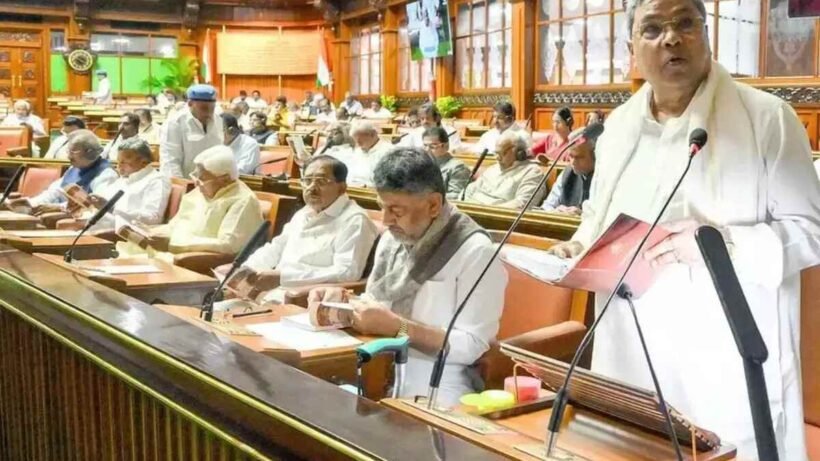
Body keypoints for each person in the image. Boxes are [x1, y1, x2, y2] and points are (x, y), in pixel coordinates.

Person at [547, 0, 820, 457]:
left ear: (706, 34)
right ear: (631, 48)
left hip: (722, 357)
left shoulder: (767, 119)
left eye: (685, 23)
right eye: (652, 29)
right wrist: (577, 245)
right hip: (634, 350)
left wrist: (721, 245)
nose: (671, 38)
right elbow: (599, 215)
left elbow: (811, 232)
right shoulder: (619, 127)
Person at [307, 148, 506, 406]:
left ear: (433, 205)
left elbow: (472, 346)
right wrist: (342, 303)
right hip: (374, 366)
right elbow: (377, 305)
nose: (386, 220)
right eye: (382, 207)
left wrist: (398, 328)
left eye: (396, 210)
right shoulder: (393, 239)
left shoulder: (476, 251)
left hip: (436, 383)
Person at [235, 155, 379, 297]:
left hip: (302, 297)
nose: (312, 188)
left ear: (342, 188)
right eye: (307, 180)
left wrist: (283, 277)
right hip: (269, 291)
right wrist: (246, 269)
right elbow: (275, 248)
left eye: (321, 181)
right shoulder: (304, 213)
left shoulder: (355, 220)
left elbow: (346, 273)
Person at [117, 145, 263, 262]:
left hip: (192, 261)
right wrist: (149, 232)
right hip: (169, 253)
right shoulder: (198, 193)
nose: (197, 183)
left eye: (202, 179)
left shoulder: (243, 201)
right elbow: (175, 226)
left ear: (224, 179)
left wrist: (172, 243)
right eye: (195, 176)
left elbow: (228, 245)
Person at [15, 130, 117, 215]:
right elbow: (55, 192)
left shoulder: (106, 174)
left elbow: (94, 207)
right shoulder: (74, 168)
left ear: (89, 152)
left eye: (73, 151)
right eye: (68, 151)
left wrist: (58, 207)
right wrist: (30, 203)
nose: (69, 156)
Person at [86, 138, 171, 232]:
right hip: (105, 225)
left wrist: (112, 209)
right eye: (118, 162)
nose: (118, 166)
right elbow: (104, 200)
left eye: (123, 162)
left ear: (143, 162)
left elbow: (153, 218)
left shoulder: (156, 180)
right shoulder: (125, 178)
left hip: (128, 232)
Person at [462, 131, 544, 209]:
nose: (497, 158)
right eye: (496, 153)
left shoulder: (532, 172)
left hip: (494, 216)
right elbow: (470, 190)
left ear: (519, 153)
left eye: (502, 153)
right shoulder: (493, 168)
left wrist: (487, 211)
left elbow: (523, 204)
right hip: (471, 210)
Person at [160, 84, 224, 178]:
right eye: (204, 108)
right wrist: (182, 185)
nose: (209, 113)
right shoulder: (175, 123)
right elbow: (170, 163)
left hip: (211, 182)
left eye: (212, 108)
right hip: (185, 181)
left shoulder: (218, 121)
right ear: (190, 103)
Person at [541, 127, 595, 215]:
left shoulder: (605, 178)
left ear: (595, 155)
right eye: (571, 156)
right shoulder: (567, 173)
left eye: (578, 157)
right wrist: (555, 212)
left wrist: (583, 215)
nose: (572, 162)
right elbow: (547, 206)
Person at [327, 121, 393, 187]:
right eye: (355, 141)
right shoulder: (358, 151)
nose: (358, 144)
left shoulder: (389, 151)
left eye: (360, 141)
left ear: (372, 134)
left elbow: (387, 181)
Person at [423, 127, 470, 200]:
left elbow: (456, 195)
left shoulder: (458, 167)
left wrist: (427, 197)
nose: (427, 150)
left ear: (446, 146)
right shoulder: (422, 164)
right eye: (425, 145)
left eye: (432, 146)